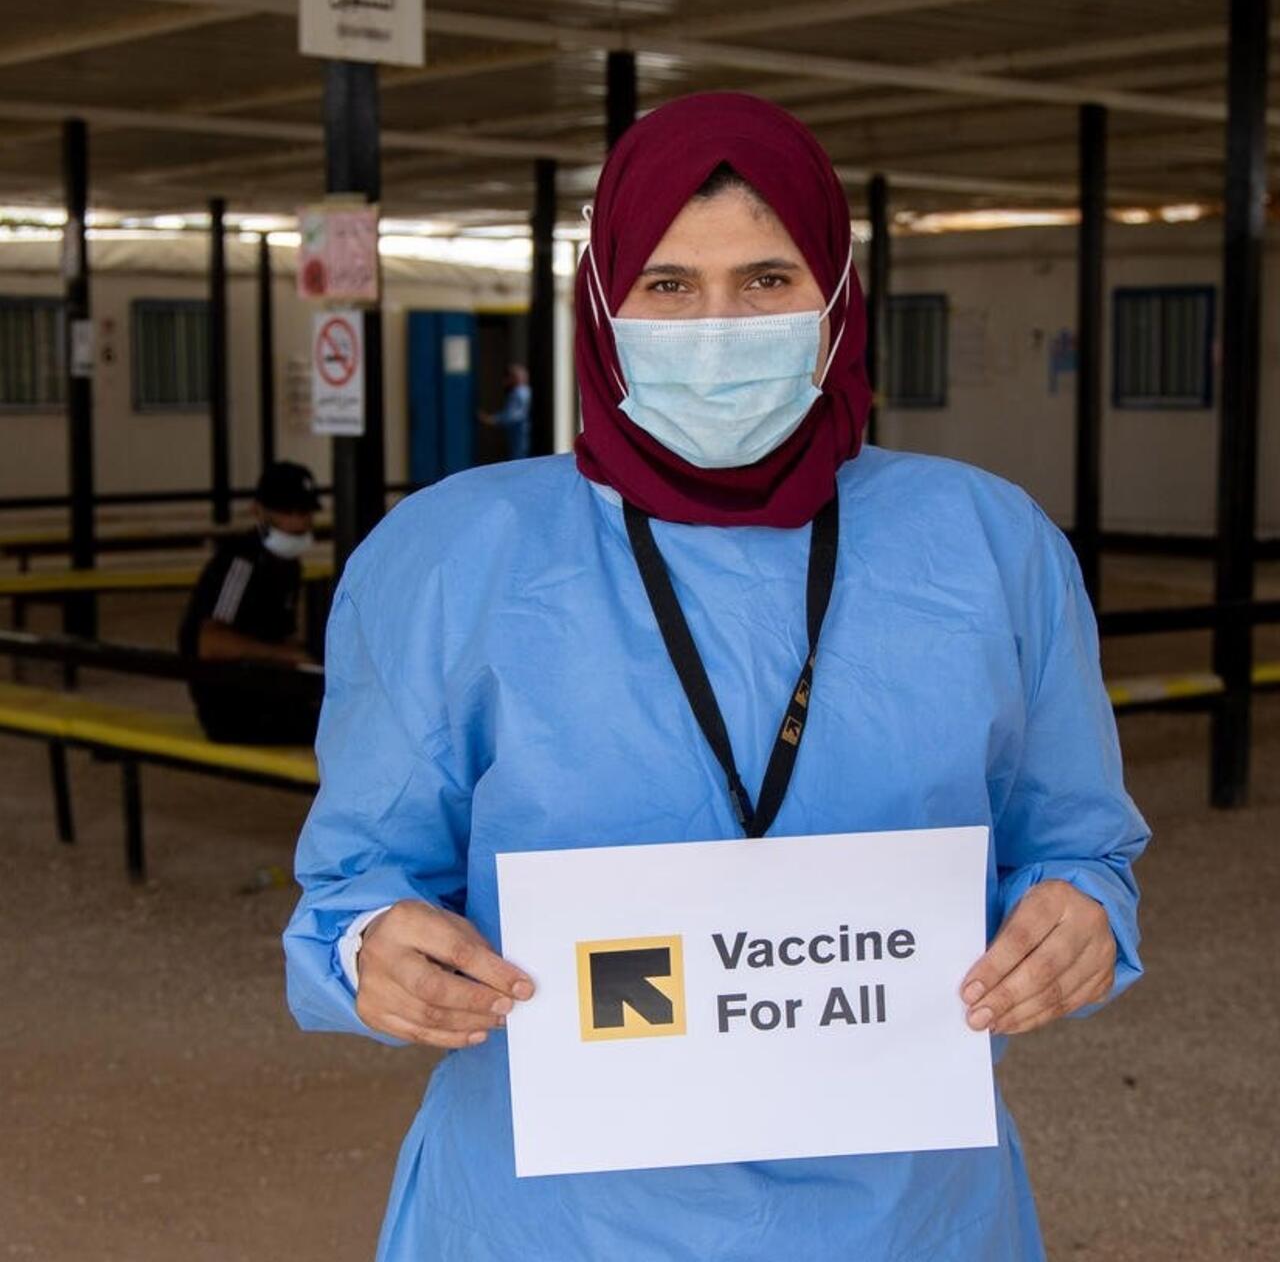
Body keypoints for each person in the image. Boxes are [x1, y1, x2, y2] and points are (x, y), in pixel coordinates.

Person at [284, 93, 1148, 1260]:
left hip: (903, 1213)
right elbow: (355, 881)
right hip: (550, 1220)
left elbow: (1077, 845)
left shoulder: (987, 547)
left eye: (766, 279)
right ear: (602, 304)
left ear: (835, 297)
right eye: (668, 284)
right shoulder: (454, 557)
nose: (717, 326)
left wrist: (1080, 916)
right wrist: (371, 950)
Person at [179, 460, 322, 745]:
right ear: (258, 511)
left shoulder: (288, 565)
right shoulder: (241, 561)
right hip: (233, 707)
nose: (299, 522)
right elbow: (210, 643)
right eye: (288, 511)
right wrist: (284, 655)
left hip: (267, 691)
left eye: (305, 512)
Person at [479, 363, 532, 460]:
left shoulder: (519, 393)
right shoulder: (522, 391)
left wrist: (491, 419)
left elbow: (511, 415)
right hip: (517, 429)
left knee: (518, 456)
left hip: (518, 429)